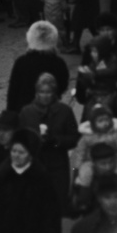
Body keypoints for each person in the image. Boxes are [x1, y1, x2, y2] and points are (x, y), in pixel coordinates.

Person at [18, 72, 79, 214]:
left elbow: (74, 138)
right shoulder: (27, 112)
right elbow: (20, 138)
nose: (45, 95)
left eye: (48, 92)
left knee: (56, 207)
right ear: (36, 92)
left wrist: (56, 141)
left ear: (54, 93)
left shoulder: (64, 111)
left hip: (57, 166)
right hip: (33, 166)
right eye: (41, 92)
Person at [6, 20, 70, 113]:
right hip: (50, 110)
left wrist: (10, 112)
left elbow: (13, 91)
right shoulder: (59, 63)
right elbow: (63, 85)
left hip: (23, 111)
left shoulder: (22, 62)